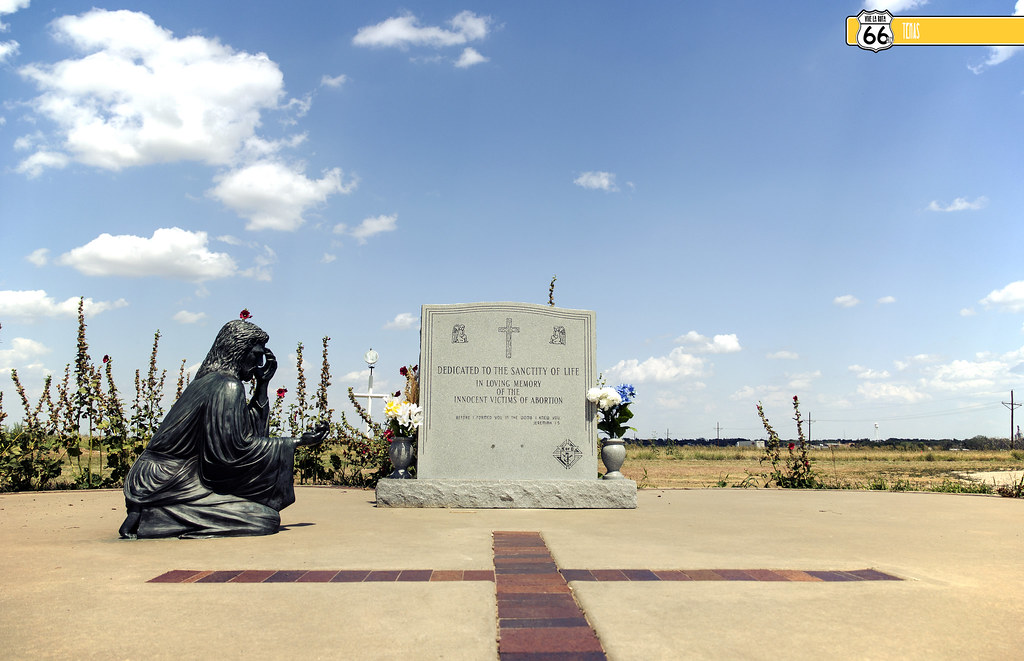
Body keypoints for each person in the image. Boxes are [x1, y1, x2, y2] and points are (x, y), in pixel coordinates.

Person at [118, 319, 328, 539]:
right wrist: (295, 442)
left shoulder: (213, 381)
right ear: (238, 352)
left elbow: (246, 434)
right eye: (256, 354)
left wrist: (262, 385)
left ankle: (152, 514)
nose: (259, 362)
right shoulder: (226, 386)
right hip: (168, 482)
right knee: (265, 519)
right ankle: (155, 516)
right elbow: (231, 453)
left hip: (167, 478)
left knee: (263, 516)